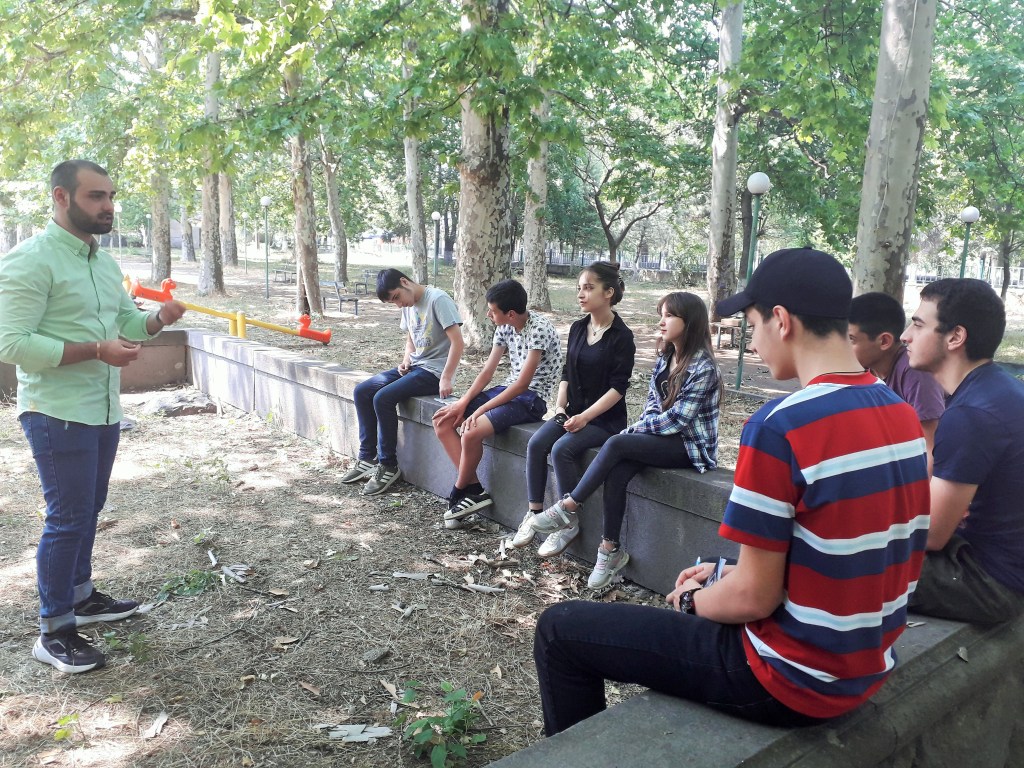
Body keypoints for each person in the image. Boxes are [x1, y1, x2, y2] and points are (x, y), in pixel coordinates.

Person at [533, 248, 929, 736]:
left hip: (789, 677)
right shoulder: (903, 415)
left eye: (752, 325)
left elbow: (755, 599)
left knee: (560, 630)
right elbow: (842, 550)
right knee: (712, 571)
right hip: (866, 665)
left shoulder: (781, 425)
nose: (753, 341)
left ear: (781, 320)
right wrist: (727, 572)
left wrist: (690, 602)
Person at [0, 160, 187, 674]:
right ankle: (54, 630)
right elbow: (10, 343)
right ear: (61, 197)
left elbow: (126, 321)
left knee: (88, 508)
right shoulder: (30, 261)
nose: (108, 206)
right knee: (67, 518)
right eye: (95, 196)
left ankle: (80, 597)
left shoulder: (101, 262)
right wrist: (96, 351)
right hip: (56, 411)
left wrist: (156, 318)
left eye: (110, 196)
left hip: (103, 408)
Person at [528, 291, 720, 589]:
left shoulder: (704, 367)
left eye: (670, 316)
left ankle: (568, 506)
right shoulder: (666, 357)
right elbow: (653, 406)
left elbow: (678, 420)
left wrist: (634, 431)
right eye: (661, 314)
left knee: (617, 443)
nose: (661, 322)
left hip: (690, 446)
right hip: (661, 437)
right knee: (618, 469)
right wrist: (640, 428)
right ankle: (610, 550)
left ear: (690, 322)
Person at [901, 278, 1024, 624]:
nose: (905, 336)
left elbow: (931, 534)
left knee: (840, 559)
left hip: (990, 582)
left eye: (918, 325)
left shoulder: (971, 414)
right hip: (1002, 562)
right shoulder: (999, 389)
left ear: (955, 337)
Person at [511, 262, 636, 557]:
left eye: (589, 288)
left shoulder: (622, 336)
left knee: (562, 449)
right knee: (537, 444)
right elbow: (567, 372)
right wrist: (560, 406)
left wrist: (585, 417)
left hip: (604, 420)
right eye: (579, 288)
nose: (581, 294)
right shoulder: (579, 328)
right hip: (572, 412)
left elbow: (618, 389)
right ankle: (534, 514)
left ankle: (568, 524)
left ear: (608, 292)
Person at [432, 279, 562, 527]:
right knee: (442, 421)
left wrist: (480, 409)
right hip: (506, 389)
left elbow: (523, 385)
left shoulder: (539, 329)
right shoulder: (504, 327)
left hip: (531, 398)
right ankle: (474, 489)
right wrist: (463, 402)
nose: (489, 315)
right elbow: (487, 372)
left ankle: (458, 491)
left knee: (471, 432)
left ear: (510, 314)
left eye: (492, 311)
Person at [340, 269, 463, 496]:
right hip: (414, 367)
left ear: (405, 282)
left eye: (397, 297)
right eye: (393, 302)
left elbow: (458, 342)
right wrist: (406, 359)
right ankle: (367, 458)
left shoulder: (438, 299)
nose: (399, 305)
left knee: (383, 398)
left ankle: (388, 464)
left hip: (434, 373)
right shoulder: (408, 305)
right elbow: (410, 339)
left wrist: (446, 377)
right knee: (362, 391)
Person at [849, 291, 945, 470]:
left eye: (851, 340)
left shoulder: (914, 372)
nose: (843, 348)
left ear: (884, 341)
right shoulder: (865, 371)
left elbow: (930, 445)